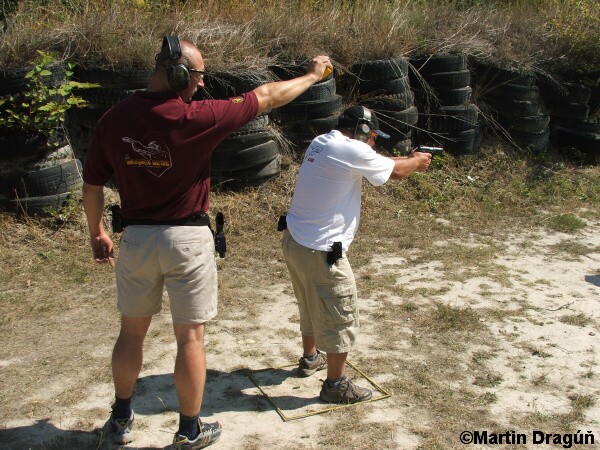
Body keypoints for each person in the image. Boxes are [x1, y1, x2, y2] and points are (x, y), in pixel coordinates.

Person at [81, 35, 332, 449]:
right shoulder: (199, 117)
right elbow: (267, 96)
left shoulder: (113, 119)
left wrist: (96, 233)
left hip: (138, 241)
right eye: (197, 76)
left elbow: (91, 184)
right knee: (190, 339)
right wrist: (311, 74)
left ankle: (121, 421)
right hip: (187, 241)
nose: (201, 85)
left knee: (131, 334)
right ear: (178, 73)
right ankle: (189, 430)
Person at [281, 105, 432, 403]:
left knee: (310, 303)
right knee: (341, 316)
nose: (373, 142)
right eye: (372, 136)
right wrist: (415, 162)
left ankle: (311, 358)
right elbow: (396, 172)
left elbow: (378, 160)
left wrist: (409, 158)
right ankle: (336, 385)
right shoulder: (350, 149)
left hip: (296, 242)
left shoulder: (323, 141)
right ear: (362, 131)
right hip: (323, 252)